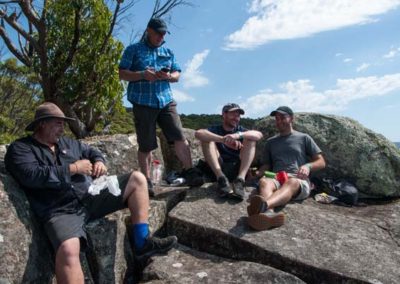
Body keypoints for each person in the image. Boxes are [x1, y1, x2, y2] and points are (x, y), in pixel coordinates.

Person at [5, 102, 177, 284]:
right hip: (60, 210)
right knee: (68, 250)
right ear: (42, 124)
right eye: (58, 123)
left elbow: (91, 150)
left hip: (90, 196)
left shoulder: (68, 143)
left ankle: (142, 243)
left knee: (137, 179)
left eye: (63, 124)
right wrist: (73, 168)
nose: (62, 128)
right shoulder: (21, 149)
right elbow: (31, 176)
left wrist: (99, 161)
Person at [119, 18, 202, 196]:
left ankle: (190, 171)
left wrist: (169, 76)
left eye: (164, 33)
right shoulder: (133, 49)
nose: (161, 36)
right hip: (142, 102)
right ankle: (146, 181)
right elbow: (122, 73)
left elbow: (177, 73)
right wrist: (142, 74)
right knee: (146, 144)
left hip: (165, 100)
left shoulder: (168, 51)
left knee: (179, 136)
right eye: (158, 33)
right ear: (149, 30)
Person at [247, 106, 326, 230]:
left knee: (292, 182)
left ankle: (263, 206)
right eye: (277, 119)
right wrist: (257, 173)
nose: (279, 121)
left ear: (291, 118)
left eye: (283, 117)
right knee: (264, 181)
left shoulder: (304, 138)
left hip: (297, 179)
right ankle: (268, 215)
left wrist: (307, 166)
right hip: (276, 178)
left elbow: (321, 162)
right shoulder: (270, 142)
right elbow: (267, 165)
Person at [195, 103, 263, 200]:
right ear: (224, 114)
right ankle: (221, 179)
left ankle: (240, 180)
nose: (236, 118)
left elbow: (258, 135)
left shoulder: (241, 130)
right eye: (233, 114)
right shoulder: (215, 129)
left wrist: (236, 136)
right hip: (218, 168)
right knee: (207, 139)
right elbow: (199, 133)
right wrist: (223, 140)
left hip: (237, 168)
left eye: (238, 115)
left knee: (251, 139)